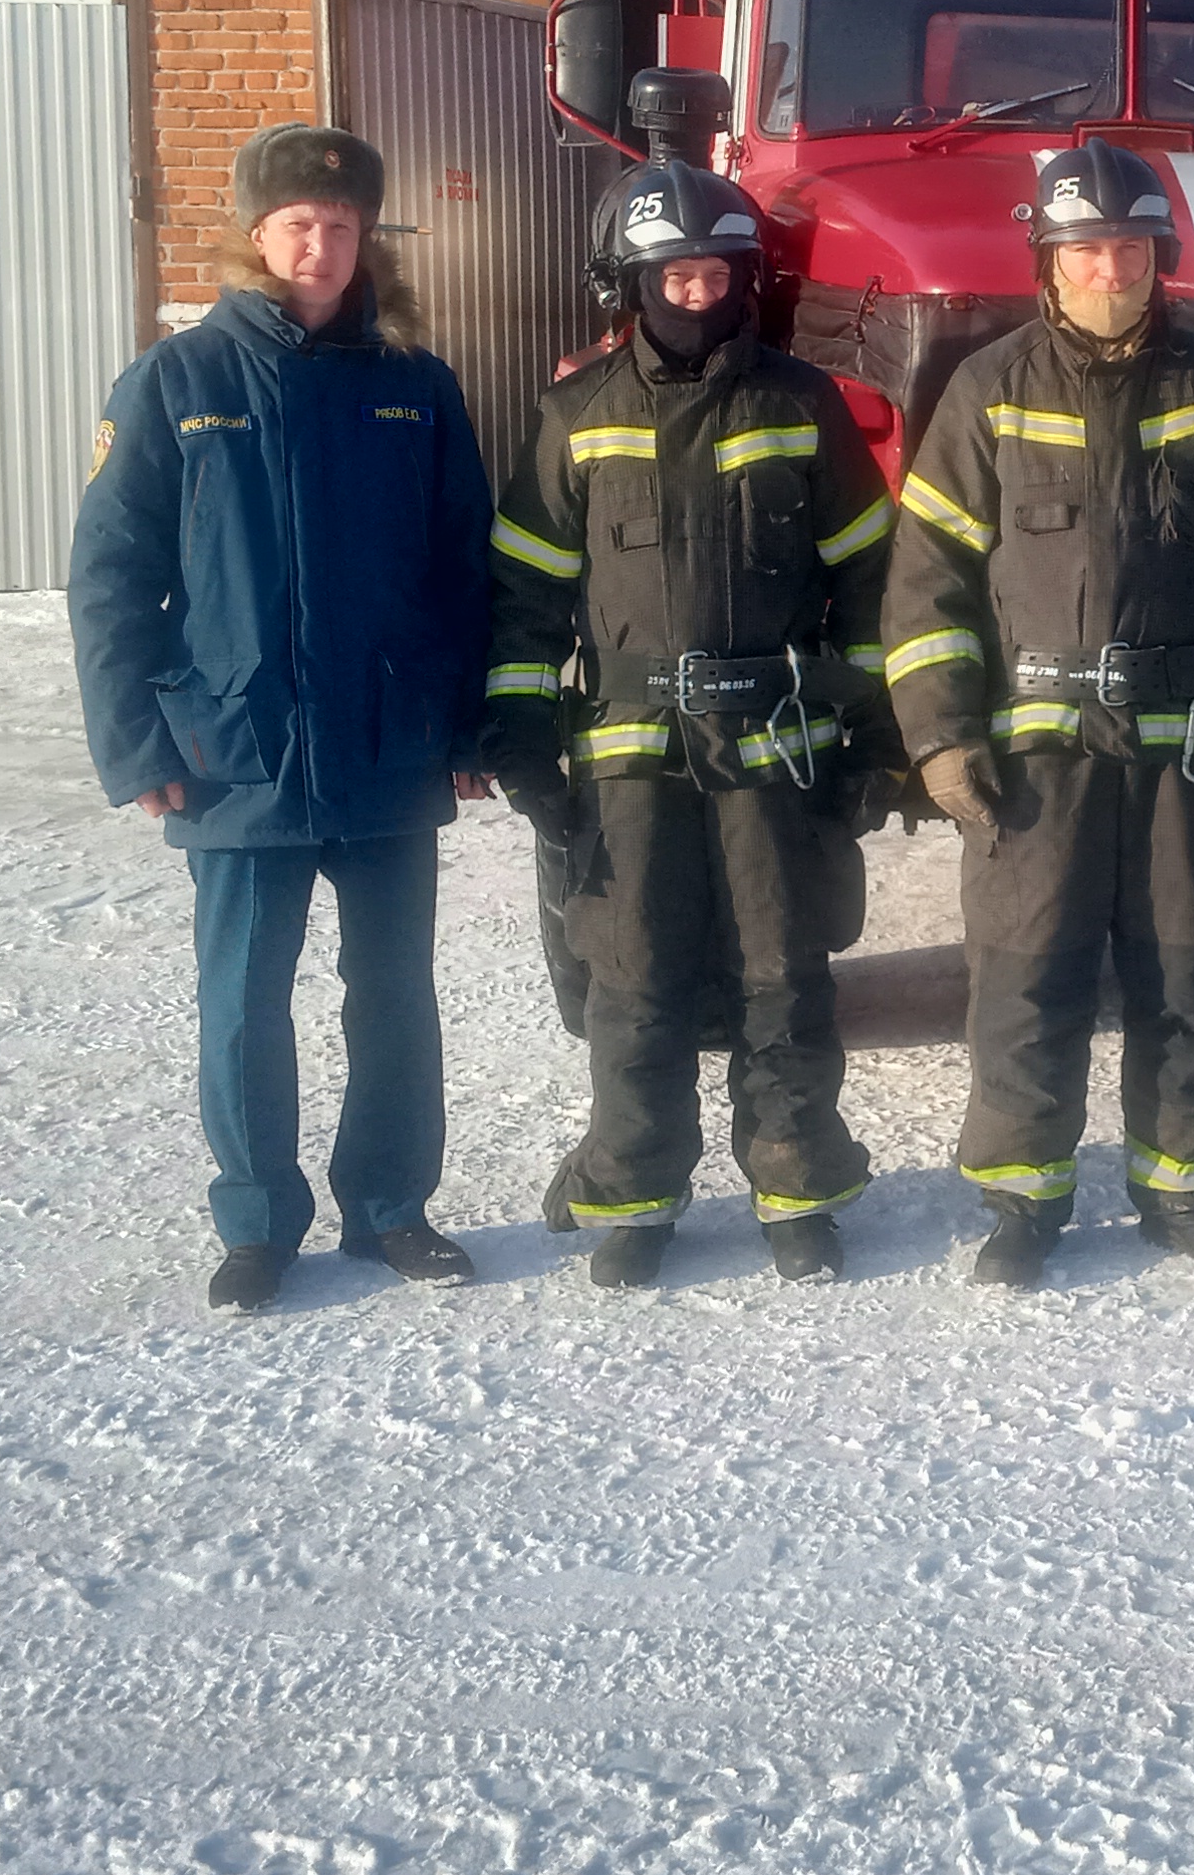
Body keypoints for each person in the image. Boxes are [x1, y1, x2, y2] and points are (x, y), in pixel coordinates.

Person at [880, 137, 1194, 1289]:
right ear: (1048, 259)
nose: (1108, 268)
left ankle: (1185, 1192)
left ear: (1158, 259)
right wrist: (939, 735)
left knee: (1186, 974)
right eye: (1085, 249)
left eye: (1128, 246)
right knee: (1026, 979)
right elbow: (925, 576)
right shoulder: (986, 390)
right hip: (1040, 755)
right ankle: (1022, 1203)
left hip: (1183, 747)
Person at [68, 123, 497, 1314]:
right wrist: (137, 743)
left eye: (343, 226)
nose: (321, 243)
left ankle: (391, 1209)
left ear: (368, 241)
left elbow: (464, 569)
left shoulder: (415, 387)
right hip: (234, 756)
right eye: (299, 224)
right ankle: (256, 1222)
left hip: (386, 744)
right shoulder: (178, 382)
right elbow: (110, 577)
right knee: (245, 1001)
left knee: (394, 993)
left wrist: (467, 724)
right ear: (256, 237)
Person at [479, 150, 895, 1289]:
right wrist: (518, 736)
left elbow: (870, 581)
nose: (696, 291)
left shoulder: (802, 405)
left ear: (745, 279)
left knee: (782, 978)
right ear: (628, 283)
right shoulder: (572, 415)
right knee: (634, 985)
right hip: (627, 762)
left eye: (716, 272)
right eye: (672, 273)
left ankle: (797, 1187)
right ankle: (638, 1194)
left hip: (773, 751)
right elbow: (521, 593)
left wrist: (871, 730)